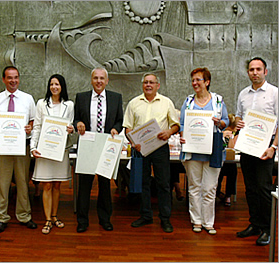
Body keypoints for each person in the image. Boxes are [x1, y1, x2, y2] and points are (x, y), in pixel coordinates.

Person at [123, 72, 180, 233]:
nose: (148, 85)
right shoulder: (134, 103)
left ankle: (165, 218)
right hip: (141, 149)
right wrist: (133, 142)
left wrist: (169, 133)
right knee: (143, 183)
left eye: (151, 82)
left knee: (163, 184)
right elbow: (128, 127)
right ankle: (146, 216)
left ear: (158, 85)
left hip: (160, 147)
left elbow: (175, 125)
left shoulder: (166, 102)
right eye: (146, 82)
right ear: (142, 85)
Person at [0, 66, 37, 233]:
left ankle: (24, 216)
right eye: (9, 77)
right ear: (3, 79)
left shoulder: (28, 99)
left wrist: (30, 127)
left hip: (22, 147)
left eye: (15, 77)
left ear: (19, 79)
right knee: (2, 183)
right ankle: (2, 217)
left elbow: (34, 121)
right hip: (1, 148)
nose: (13, 80)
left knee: (22, 182)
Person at [179, 67, 229, 235]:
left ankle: (209, 222)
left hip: (212, 149)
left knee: (209, 188)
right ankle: (197, 221)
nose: (195, 83)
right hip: (192, 150)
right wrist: (182, 136)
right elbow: (182, 124)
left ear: (207, 82)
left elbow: (226, 122)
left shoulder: (217, 101)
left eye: (198, 80)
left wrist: (218, 123)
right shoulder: (188, 101)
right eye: (193, 80)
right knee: (194, 187)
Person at [74, 67, 123, 233]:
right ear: (91, 80)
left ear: (107, 81)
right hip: (87, 145)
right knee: (85, 186)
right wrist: (78, 124)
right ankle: (82, 221)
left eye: (102, 78)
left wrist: (116, 129)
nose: (99, 81)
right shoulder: (81, 98)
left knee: (104, 184)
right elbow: (76, 119)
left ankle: (105, 219)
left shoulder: (116, 98)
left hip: (106, 145)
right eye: (95, 78)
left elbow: (119, 120)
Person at [235, 57, 278, 246]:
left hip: (266, 146)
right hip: (247, 145)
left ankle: (268, 229)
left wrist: (273, 147)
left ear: (265, 72)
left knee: (263, 188)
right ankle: (255, 224)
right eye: (251, 69)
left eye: (258, 69)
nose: (255, 72)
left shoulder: (274, 93)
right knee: (250, 188)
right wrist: (237, 122)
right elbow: (238, 116)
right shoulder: (243, 94)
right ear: (248, 73)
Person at [30, 74, 75, 235]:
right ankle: (47, 219)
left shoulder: (69, 105)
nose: (54, 87)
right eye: (51, 84)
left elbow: (70, 126)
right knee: (47, 185)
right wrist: (32, 147)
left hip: (60, 151)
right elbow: (37, 126)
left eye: (57, 84)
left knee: (57, 185)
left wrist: (71, 129)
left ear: (62, 86)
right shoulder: (41, 104)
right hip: (44, 150)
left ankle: (55, 216)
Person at [216, 113, 238, 207]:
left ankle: (228, 195)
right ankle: (217, 192)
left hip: (230, 160)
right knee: (218, 170)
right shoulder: (218, 131)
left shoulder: (236, 134)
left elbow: (232, 149)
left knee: (232, 169)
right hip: (219, 158)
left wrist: (231, 138)